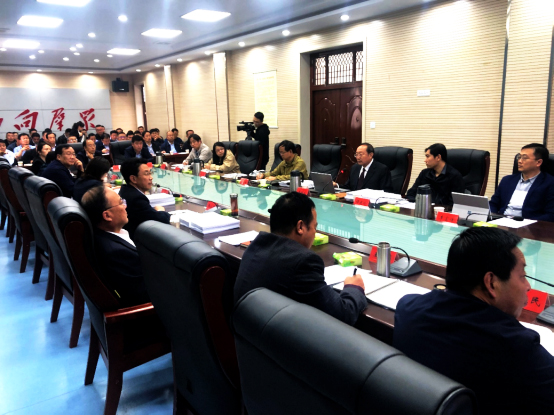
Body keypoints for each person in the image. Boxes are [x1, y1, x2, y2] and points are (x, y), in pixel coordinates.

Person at [394, 227, 554, 414]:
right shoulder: (518, 348)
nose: (527, 286)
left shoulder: (408, 309)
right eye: (522, 276)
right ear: (491, 282)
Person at [234, 192, 367, 325]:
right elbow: (343, 314)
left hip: (246, 332)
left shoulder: (256, 245)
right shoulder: (303, 262)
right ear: (300, 227)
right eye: (315, 227)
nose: (315, 233)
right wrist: (354, 288)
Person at [80, 186, 149, 306]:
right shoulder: (115, 252)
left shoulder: (103, 236)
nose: (125, 206)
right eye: (121, 203)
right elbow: (142, 295)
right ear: (107, 216)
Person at [490, 143, 554, 222]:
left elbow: (551, 215)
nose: (519, 161)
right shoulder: (507, 180)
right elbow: (493, 204)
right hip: (501, 222)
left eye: (524, 158)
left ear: (538, 162)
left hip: (529, 225)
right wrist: (493, 218)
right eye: (519, 157)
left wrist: (527, 223)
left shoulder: (550, 183)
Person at [119, 158, 170, 239]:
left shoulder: (125, 190)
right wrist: (161, 211)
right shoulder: (136, 199)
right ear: (133, 179)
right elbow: (162, 219)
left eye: (150, 173)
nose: (151, 178)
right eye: (146, 174)